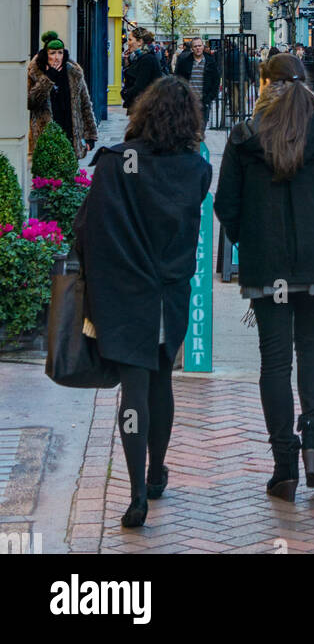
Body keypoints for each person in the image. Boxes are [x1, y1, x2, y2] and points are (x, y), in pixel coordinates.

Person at [215, 53, 314, 502]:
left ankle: (284, 465)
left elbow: (226, 204)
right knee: (313, 349)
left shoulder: (245, 135)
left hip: (267, 262)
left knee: (274, 361)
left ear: (265, 84)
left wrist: (248, 239)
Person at [74, 77, 211, 528]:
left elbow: (88, 225)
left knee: (134, 389)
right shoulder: (195, 168)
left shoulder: (118, 162)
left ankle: (136, 494)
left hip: (125, 293)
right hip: (169, 290)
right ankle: (156, 471)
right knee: (161, 383)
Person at [28, 31, 98, 160]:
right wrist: (49, 78)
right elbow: (31, 102)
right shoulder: (35, 73)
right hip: (46, 136)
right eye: (52, 53)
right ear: (45, 54)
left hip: (70, 133)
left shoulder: (73, 73)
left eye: (60, 52)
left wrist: (90, 135)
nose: (57, 57)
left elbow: (85, 104)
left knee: (70, 175)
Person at [174, 36, 221, 129]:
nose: (198, 48)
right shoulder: (184, 62)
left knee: (201, 130)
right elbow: (177, 79)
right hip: (188, 102)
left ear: (203, 47)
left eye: (199, 46)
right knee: (188, 129)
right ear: (192, 49)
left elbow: (216, 81)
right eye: (195, 46)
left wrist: (210, 97)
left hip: (204, 101)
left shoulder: (210, 62)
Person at [121, 29, 164, 112]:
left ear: (139, 42)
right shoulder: (140, 57)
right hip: (142, 107)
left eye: (130, 39)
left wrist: (125, 94)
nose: (128, 43)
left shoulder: (147, 59)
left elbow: (140, 86)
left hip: (144, 109)